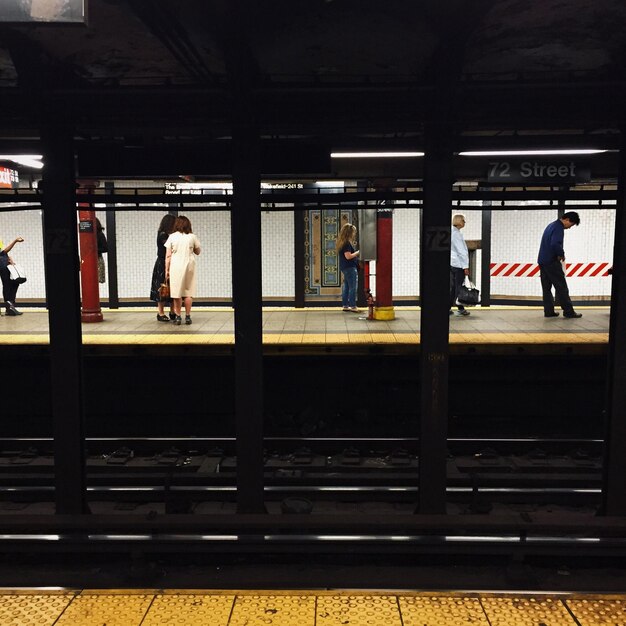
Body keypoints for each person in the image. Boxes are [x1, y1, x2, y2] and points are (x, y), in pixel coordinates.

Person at [538, 211, 582, 318]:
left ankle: (548, 311)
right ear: (567, 220)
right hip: (552, 262)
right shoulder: (558, 227)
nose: (569, 227)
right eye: (571, 225)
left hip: (543, 261)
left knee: (546, 288)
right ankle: (568, 311)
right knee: (561, 286)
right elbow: (555, 243)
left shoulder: (551, 225)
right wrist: (561, 254)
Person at [165, 215, 201, 325]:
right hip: (189, 265)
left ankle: (178, 317)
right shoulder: (192, 236)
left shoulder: (172, 237)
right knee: (188, 292)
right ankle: (188, 317)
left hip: (176, 266)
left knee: (177, 292)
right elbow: (198, 251)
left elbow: (168, 256)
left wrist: (167, 270)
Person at [150, 214, 177, 322]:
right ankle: (160, 313)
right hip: (162, 263)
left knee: (172, 287)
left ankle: (172, 311)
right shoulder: (162, 235)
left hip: (170, 262)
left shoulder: (168, 235)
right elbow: (169, 248)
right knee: (162, 288)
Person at [336, 223, 360, 312]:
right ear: (349, 233)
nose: (354, 234)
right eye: (353, 232)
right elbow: (348, 256)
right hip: (350, 267)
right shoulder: (346, 243)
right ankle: (353, 306)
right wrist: (358, 252)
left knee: (346, 286)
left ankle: (345, 305)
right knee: (353, 287)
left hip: (345, 267)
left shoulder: (342, 242)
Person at [450, 213, 470, 316]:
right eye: (463, 220)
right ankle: (460, 308)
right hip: (458, 264)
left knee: (454, 287)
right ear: (458, 221)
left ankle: (449, 308)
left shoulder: (452, 232)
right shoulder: (456, 234)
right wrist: (465, 266)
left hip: (453, 263)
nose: (464, 223)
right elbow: (461, 251)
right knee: (459, 287)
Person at [0, 235, 25, 316]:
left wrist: (10, 260)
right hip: (4, 270)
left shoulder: (3, 254)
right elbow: (6, 250)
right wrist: (15, 241)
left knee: (14, 284)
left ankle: (11, 307)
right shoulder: (2, 253)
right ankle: (9, 306)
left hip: (8, 270)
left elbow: (5, 253)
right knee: (8, 286)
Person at [95, 218, 108, 284]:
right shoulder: (90, 235)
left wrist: (95, 250)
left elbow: (106, 248)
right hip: (94, 258)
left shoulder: (100, 235)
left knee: (97, 280)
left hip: (98, 259)